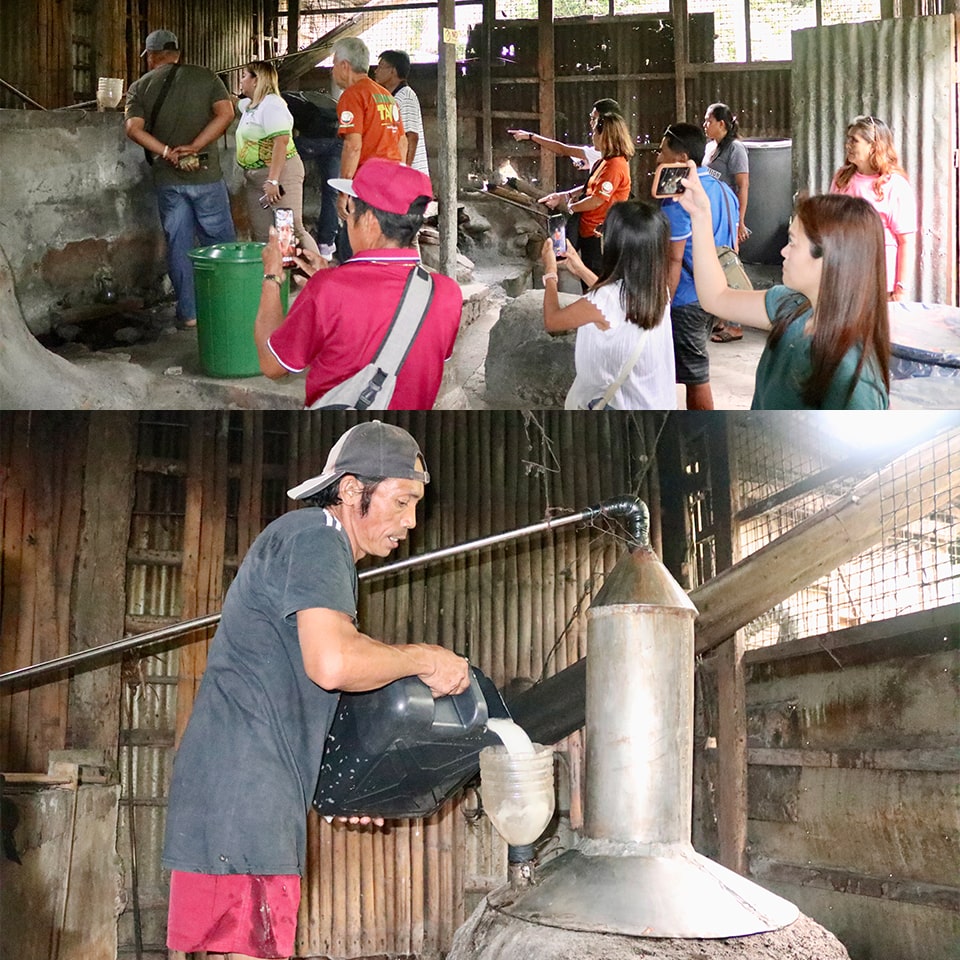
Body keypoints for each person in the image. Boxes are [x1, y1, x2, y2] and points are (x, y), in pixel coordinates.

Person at [162, 419, 471, 959]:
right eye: (401, 501)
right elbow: (332, 664)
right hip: (247, 791)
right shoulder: (316, 537)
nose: (411, 521)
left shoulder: (315, 552)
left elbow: (301, 686)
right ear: (352, 491)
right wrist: (424, 657)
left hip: (236, 787)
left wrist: (347, 788)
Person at [675, 159, 890, 409]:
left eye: (793, 242)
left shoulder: (855, 382)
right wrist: (700, 215)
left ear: (829, 259)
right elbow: (716, 297)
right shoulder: (789, 305)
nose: (783, 251)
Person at [254, 159, 461, 409]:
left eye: (350, 210)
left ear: (370, 221)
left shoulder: (328, 289)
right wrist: (333, 277)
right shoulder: (447, 293)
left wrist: (272, 277)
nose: (346, 220)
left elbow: (271, 364)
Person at [124, 29, 236, 328]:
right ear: (177, 52)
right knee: (219, 242)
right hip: (206, 175)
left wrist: (166, 152)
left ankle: (189, 313)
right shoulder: (206, 77)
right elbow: (226, 113)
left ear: (151, 56)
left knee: (179, 244)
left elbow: (133, 129)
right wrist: (196, 146)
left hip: (168, 180)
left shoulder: (139, 87)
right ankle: (227, 306)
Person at [540, 200, 677, 410]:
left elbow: (552, 320)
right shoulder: (657, 287)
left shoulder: (605, 299)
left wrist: (550, 272)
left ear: (616, 244)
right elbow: (615, 306)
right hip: (654, 401)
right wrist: (580, 269)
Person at [656, 122, 738, 410]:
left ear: (681, 159)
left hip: (686, 298)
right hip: (716, 295)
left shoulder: (679, 198)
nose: (657, 157)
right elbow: (733, 245)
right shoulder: (725, 190)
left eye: (661, 151)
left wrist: (662, 305)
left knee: (695, 377)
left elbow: (674, 259)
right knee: (695, 367)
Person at [528, 114, 634, 277]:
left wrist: (570, 208)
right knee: (588, 275)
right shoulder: (603, 162)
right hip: (589, 230)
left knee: (596, 279)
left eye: (594, 133)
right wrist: (565, 196)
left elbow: (596, 200)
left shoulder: (615, 166)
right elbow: (589, 190)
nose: (592, 137)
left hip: (601, 234)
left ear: (605, 136)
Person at [332, 37, 406, 261]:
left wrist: (343, 192)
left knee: (353, 250)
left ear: (345, 65)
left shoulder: (353, 95)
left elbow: (353, 146)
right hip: (391, 183)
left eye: (334, 63)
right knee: (382, 246)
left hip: (366, 185)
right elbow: (402, 142)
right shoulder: (386, 96)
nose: (333, 70)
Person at [236, 61, 320, 257]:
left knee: (290, 230)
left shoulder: (272, 104)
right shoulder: (250, 106)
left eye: (244, 76)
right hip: (256, 178)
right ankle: (273, 280)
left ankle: (321, 275)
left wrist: (273, 180)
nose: (241, 81)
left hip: (281, 175)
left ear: (256, 80)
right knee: (262, 234)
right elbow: (232, 102)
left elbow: (281, 141)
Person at [830, 115, 916, 301]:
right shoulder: (842, 178)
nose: (848, 145)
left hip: (879, 283)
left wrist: (901, 289)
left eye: (854, 141)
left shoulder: (895, 185)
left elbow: (906, 242)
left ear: (874, 147)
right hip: (846, 277)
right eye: (848, 139)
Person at [703, 102, 749, 343]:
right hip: (713, 213)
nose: (705, 125)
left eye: (709, 121)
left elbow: (743, 186)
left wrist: (740, 222)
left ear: (722, 124)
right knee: (715, 266)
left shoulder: (736, 149)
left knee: (728, 264)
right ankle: (722, 318)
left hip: (728, 214)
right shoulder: (711, 148)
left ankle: (735, 325)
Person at [283, 89, 343, 260]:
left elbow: (283, 133)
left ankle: (288, 247)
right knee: (331, 190)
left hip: (312, 143)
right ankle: (326, 244)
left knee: (285, 157)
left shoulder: (285, 99)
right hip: (337, 143)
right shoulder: (322, 98)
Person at [508, 97, 623, 172]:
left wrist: (531, 136)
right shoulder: (617, 145)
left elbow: (562, 149)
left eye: (594, 118)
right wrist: (587, 162)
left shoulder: (605, 151)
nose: (591, 122)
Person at [374, 50, 429, 176]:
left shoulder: (405, 96)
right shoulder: (391, 96)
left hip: (410, 174)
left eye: (381, 66)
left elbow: (412, 137)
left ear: (393, 71)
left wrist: (404, 172)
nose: (376, 71)